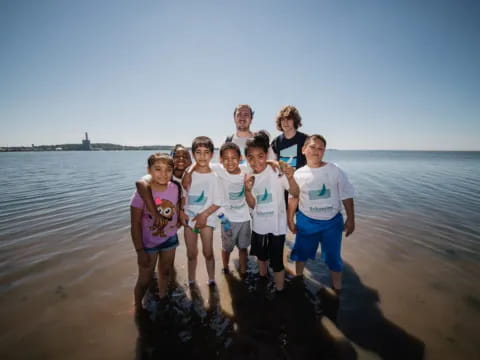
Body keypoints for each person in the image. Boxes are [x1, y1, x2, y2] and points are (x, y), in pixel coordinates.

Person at [287, 134, 355, 295]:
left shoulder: (335, 170)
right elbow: (294, 198)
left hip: (332, 222)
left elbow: (346, 194)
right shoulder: (298, 174)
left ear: (324, 151)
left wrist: (351, 219)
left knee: (333, 257)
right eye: (312, 147)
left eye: (320, 148)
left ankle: (337, 289)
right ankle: (298, 278)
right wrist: (290, 219)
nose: (316, 151)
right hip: (306, 221)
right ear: (303, 150)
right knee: (301, 253)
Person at [243, 131, 299, 293]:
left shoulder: (277, 171)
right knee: (261, 257)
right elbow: (253, 205)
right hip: (259, 225)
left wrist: (290, 177)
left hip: (277, 226)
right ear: (246, 158)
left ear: (266, 154)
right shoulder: (249, 176)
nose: (256, 161)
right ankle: (263, 279)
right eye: (251, 157)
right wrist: (247, 191)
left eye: (260, 156)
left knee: (277, 261)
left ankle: (280, 290)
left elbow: (295, 192)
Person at [130, 153, 181, 312]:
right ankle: (137, 305)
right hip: (148, 244)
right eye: (157, 169)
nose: (163, 174)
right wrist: (139, 250)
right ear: (148, 170)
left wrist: (178, 220)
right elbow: (135, 224)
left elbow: (176, 206)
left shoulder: (174, 188)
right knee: (145, 279)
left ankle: (163, 297)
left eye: (168, 170)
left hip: (170, 239)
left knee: (165, 271)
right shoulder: (142, 192)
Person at [183, 136, 223, 286]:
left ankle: (211, 279)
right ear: (193, 154)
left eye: (206, 152)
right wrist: (182, 211)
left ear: (212, 155)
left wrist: (204, 215)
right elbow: (183, 194)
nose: (202, 156)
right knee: (191, 253)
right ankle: (191, 280)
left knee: (208, 252)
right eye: (198, 152)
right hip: (190, 219)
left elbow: (218, 202)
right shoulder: (189, 173)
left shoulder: (214, 176)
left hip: (207, 219)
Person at [135, 144, 191, 229]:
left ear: (191, 161)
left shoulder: (192, 175)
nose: (181, 159)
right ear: (171, 159)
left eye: (185, 156)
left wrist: (180, 213)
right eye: (177, 156)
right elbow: (141, 183)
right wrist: (155, 213)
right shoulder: (165, 176)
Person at [271, 105, 308, 169]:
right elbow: (273, 162)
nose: (285, 122)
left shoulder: (305, 139)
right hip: (282, 178)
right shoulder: (276, 141)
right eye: (283, 119)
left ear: (295, 120)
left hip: (300, 178)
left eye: (289, 119)